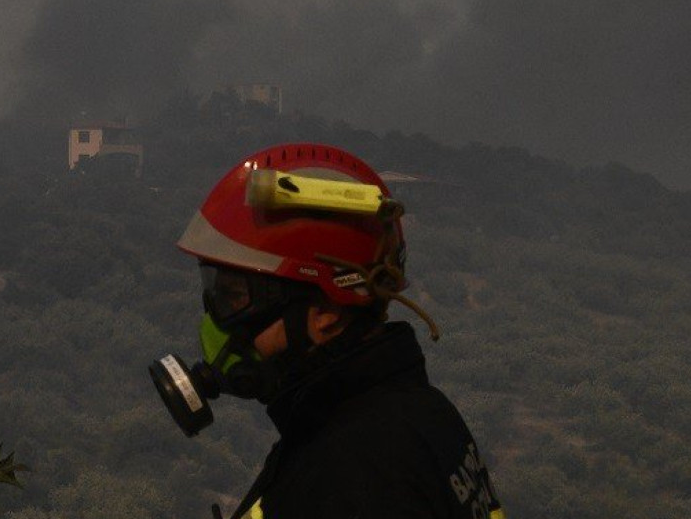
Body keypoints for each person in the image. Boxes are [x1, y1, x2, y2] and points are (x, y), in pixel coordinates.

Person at [147, 143, 504, 519]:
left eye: (234, 297)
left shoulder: (356, 471)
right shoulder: (410, 416)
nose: (215, 320)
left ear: (326, 314)